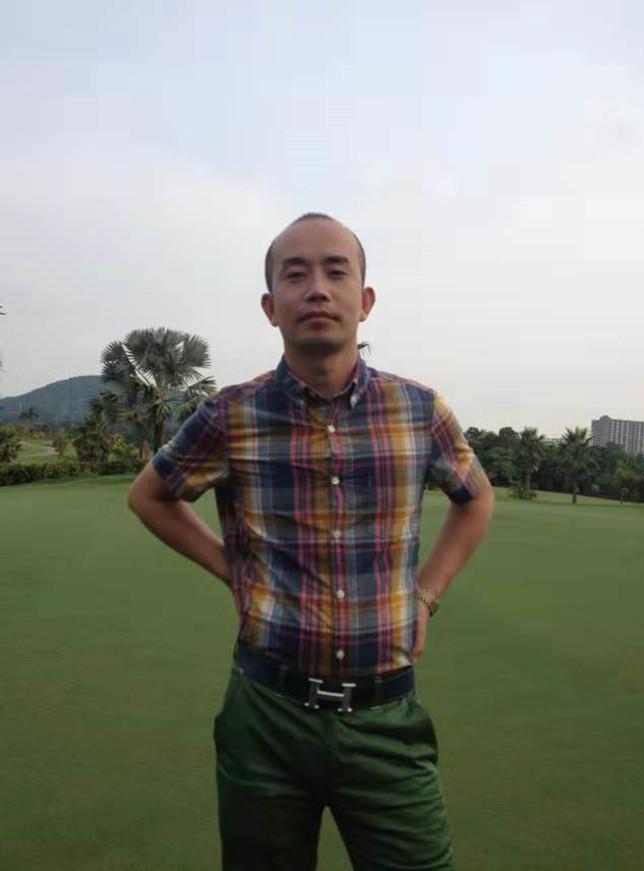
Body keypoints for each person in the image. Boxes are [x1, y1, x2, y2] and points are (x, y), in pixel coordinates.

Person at [128, 213, 494, 870]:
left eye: (336, 271)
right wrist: (231, 569)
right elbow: (149, 495)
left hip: (386, 715)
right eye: (295, 275)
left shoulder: (419, 411)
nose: (317, 288)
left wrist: (427, 594)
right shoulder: (231, 415)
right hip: (266, 715)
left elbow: (477, 498)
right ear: (272, 307)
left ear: (365, 299)